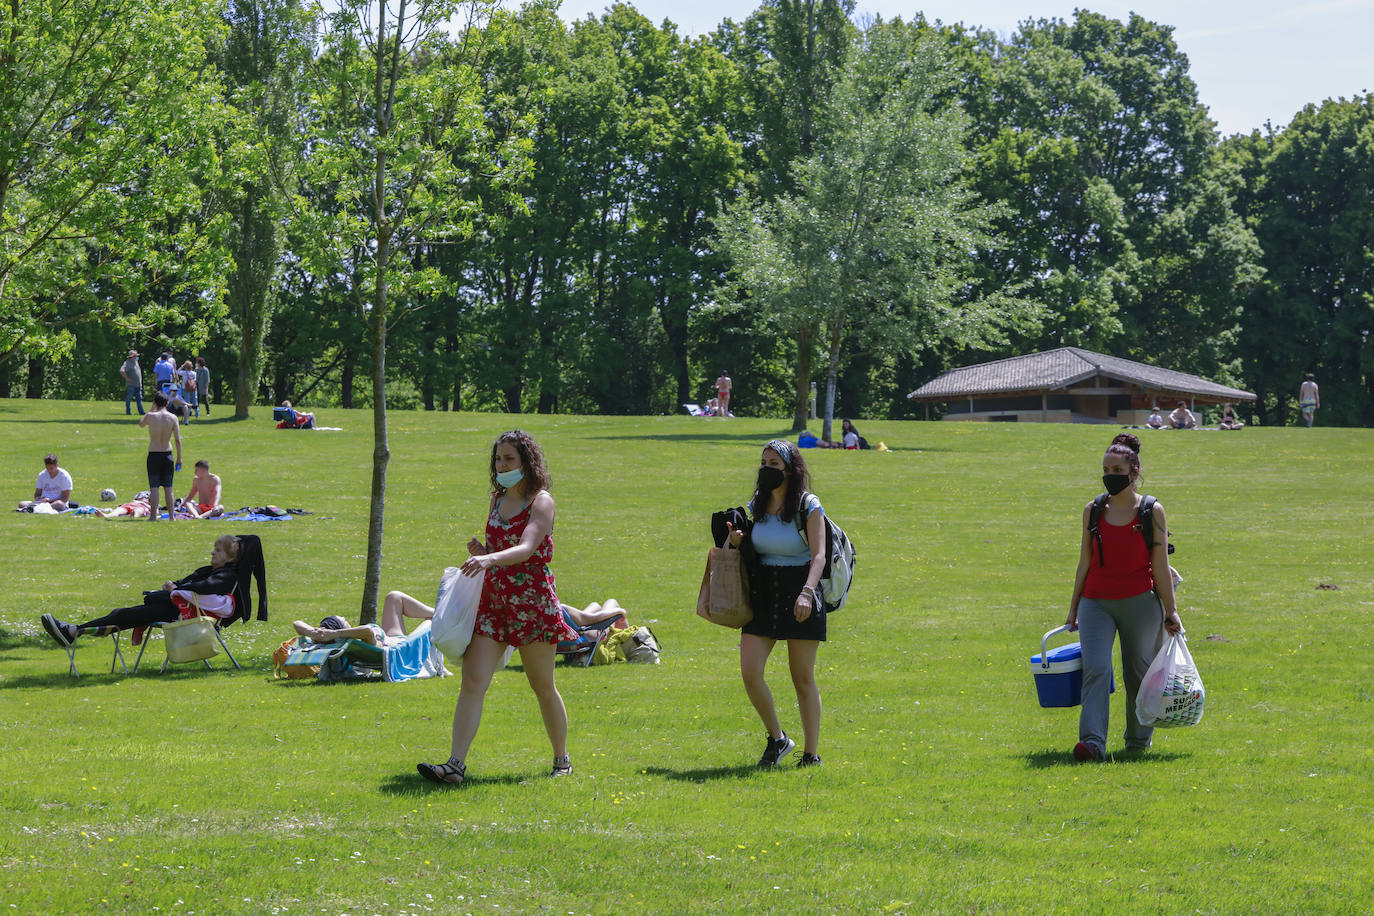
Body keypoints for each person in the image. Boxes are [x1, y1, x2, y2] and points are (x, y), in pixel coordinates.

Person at [417, 430, 579, 786]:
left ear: (526, 462)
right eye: (498, 459)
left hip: (531, 602)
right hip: (493, 601)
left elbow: (526, 547)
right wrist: (483, 551)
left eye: (509, 459)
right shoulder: (496, 499)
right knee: (472, 681)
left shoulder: (541, 501)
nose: (502, 465)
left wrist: (490, 558)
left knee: (542, 685)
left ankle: (562, 761)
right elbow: (500, 546)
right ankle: (455, 766)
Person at [1065, 433, 1183, 761]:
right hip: (1096, 602)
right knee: (1097, 668)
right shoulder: (1093, 510)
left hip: (1140, 602)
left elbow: (1161, 565)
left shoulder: (1152, 511)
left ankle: (1137, 743)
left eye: (1117, 468)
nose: (1109, 474)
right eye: (1105, 468)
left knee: (1139, 673)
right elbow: (1085, 561)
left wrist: (1170, 612)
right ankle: (1092, 744)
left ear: (1134, 471)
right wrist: (1073, 608)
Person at [724, 439, 828, 768]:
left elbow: (820, 556)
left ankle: (811, 755)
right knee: (750, 672)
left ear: (789, 469)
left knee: (802, 679)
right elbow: (744, 551)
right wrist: (736, 541)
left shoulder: (808, 505)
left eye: (774, 464)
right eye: (764, 462)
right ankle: (778, 739)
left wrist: (807, 593)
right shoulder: (755, 505)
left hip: (800, 591)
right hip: (764, 593)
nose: (766, 469)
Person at [40, 535, 240, 647]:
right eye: (214, 548)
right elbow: (190, 587)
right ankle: (75, 630)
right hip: (172, 610)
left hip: (186, 618)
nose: (213, 552)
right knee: (122, 613)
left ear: (230, 557)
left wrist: (176, 591)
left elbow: (210, 600)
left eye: (219, 551)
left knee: (125, 614)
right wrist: (173, 589)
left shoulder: (225, 577)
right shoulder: (209, 571)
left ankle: (74, 631)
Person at [293, 590, 435, 647]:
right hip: (403, 647)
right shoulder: (356, 640)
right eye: (343, 620)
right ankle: (442, 613)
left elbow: (296, 623)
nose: (344, 617)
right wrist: (335, 634)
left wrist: (312, 632)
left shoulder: (342, 638)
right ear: (342, 628)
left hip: (392, 637)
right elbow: (367, 630)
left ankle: (439, 611)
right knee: (431, 620)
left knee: (394, 596)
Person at [139, 392, 182, 521]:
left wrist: (152, 409)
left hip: (154, 454)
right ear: (167, 403)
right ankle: (171, 517)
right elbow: (177, 440)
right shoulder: (173, 418)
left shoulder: (151, 416)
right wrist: (179, 457)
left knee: (154, 487)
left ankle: (153, 516)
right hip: (167, 454)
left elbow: (141, 423)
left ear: (155, 403)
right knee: (168, 488)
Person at [120, 349, 144, 416]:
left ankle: (141, 412)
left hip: (138, 384)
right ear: (132, 356)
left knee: (139, 399)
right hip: (131, 385)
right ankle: (128, 412)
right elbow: (122, 371)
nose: (136, 357)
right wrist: (127, 378)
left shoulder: (135, 362)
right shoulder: (127, 363)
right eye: (135, 356)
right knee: (129, 398)